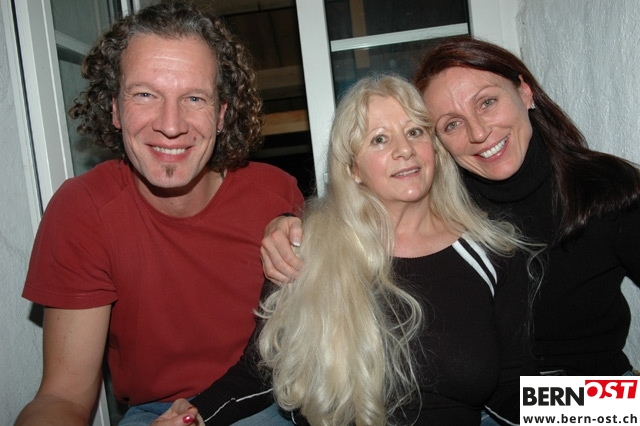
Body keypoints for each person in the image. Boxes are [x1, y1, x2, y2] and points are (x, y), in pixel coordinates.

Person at [164, 74, 540, 425]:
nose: (405, 150)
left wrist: (580, 408)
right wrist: (195, 416)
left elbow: (513, 390)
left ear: (435, 150)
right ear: (353, 169)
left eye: (415, 132)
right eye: (379, 139)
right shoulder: (307, 250)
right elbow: (260, 371)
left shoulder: (492, 253)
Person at [264, 35, 640, 377]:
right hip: (485, 402)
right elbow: (361, 206)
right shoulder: (443, 201)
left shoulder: (606, 188)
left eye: (487, 103)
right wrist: (288, 225)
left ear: (525, 92)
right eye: (452, 124)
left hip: (588, 394)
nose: (478, 133)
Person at [15, 2, 304, 426]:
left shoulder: (276, 195)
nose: (171, 125)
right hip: (154, 412)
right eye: (146, 95)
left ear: (221, 115)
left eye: (194, 98)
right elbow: (63, 396)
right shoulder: (83, 210)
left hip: (269, 400)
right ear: (115, 108)